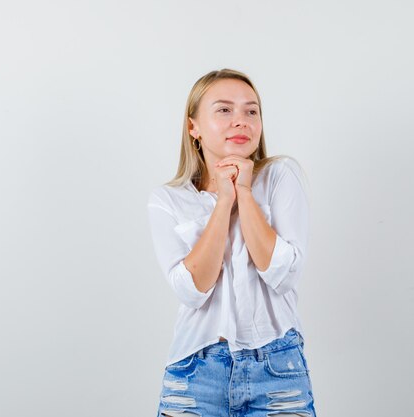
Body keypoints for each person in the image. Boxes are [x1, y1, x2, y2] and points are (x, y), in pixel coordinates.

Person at [147, 68, 318, 417]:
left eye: (251, 111)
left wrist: (243, 190)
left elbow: (282, 274)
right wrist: (224, 201)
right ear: (193, 126)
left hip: (278, 369)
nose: (241, 121)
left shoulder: (279, 177)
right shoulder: (167, 200)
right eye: (224, 110)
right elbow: (193, 290)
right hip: (195, 374)